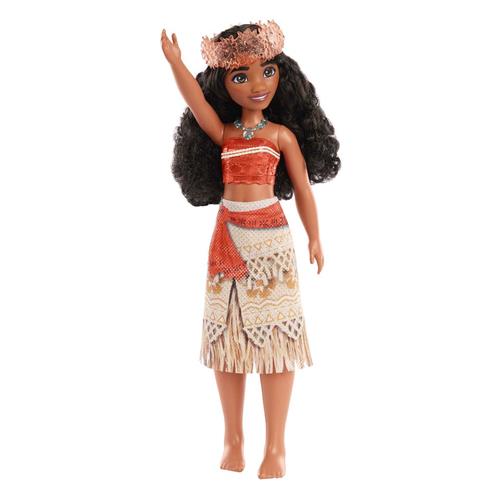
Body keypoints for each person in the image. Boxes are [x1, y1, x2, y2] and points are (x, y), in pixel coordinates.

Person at [161, 19, 341, 479]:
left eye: (267, 71)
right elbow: (196, 102)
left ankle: (276, 444)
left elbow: (302, 188)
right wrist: (176, 64)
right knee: (228, 337)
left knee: (276, 336)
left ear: (283, 74)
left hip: (270, 242)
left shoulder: (280, 136)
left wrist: (314, 236)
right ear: (224, 85)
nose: (257, 85)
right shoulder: (224, 134)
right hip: (228, 238)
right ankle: (233, 437)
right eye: (241, 76)